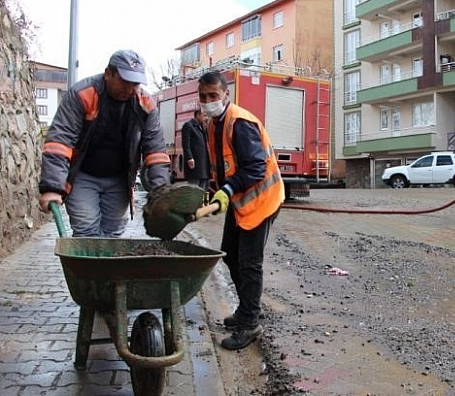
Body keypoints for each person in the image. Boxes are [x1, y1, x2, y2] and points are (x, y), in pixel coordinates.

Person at [38, 50, 170, 237]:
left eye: (135, 84)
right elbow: (60, 140)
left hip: (119, 179)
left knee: (113, 233)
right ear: (108, 74)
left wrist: (161, 194)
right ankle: (86, 266)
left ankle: (108, 267)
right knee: (86, 230)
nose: (130, 89)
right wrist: (52, 188)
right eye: (125, 82)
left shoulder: (145, 105)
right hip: (83, 175)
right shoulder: (82, 95)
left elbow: (155, 151)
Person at [197, 71, 285, 350]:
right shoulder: (214, 125)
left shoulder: (240, 122)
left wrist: (226, 190)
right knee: (230, 255)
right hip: (241, 202)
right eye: (203, 97)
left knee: (249, 263)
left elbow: (256, 168)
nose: (208, 101)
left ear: (226, 94)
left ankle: (250, 325)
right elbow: (224, 167)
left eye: (213, 95)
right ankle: (249, 309)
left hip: (262, 200)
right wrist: (213, 193)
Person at [182, 109, 210, 190]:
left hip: (204, 166)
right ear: (197, 115)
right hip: (195, 165)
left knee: (203, 191)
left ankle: (202, 203)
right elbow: (186, 144)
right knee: (194, 190)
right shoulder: (188, 126)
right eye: (204, 116)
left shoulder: (202, 127)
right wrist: (189, 158)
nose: (206, 118)